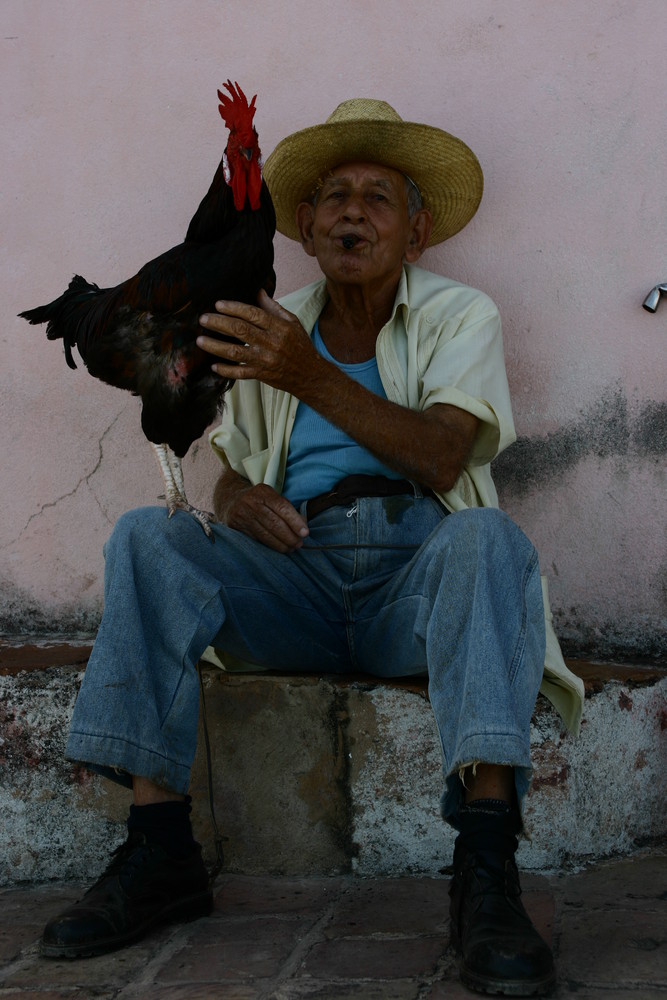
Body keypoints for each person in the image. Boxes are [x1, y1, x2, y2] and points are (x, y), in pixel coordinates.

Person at [41, 98, 583, 996]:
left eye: (377, 197)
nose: (350, 212)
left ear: (417, 229)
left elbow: (444, 453)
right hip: (291, 575)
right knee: (149, 534)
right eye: (333, 196)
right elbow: (226, 469)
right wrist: (241, 498)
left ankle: (486, 874)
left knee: (486, 537)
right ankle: (158, 851)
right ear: (302, 224)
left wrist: (308, 373)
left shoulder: (459, 317)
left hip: (416, 571)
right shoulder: (264, 319)